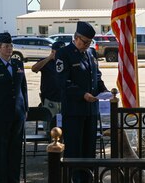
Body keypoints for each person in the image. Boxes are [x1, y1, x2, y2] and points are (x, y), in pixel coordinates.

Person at [55, 21, 108, 183]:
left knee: (88, 150)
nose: (86, 45)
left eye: (89, 42)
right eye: (84, 42)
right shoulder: (64, 54)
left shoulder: (90, 53)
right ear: (76, 37)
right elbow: (63, 82)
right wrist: (82, 94)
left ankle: (88, 179)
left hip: (91, 111)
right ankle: (75, 179)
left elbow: (96, 77)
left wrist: (104, 91)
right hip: (74, 111)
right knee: (75, 150)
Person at [0, 32, 28, 183]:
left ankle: (14, 178)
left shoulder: (17, 64)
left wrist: (25, 109)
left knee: (16, 149)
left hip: (18, 113)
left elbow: (24, 88)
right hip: (1, 115)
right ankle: (2, 179)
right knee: (2, 150)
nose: (9, 49)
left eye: (11, 46)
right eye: (6, 46)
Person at [31, 41, 65, 119]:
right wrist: (49, 58)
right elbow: (34, 68)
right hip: (50, 99)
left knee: (64, 126)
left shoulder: (66, 61)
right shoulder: (46, 61)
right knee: (50, 125)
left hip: (64, 99)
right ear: (53, 51)